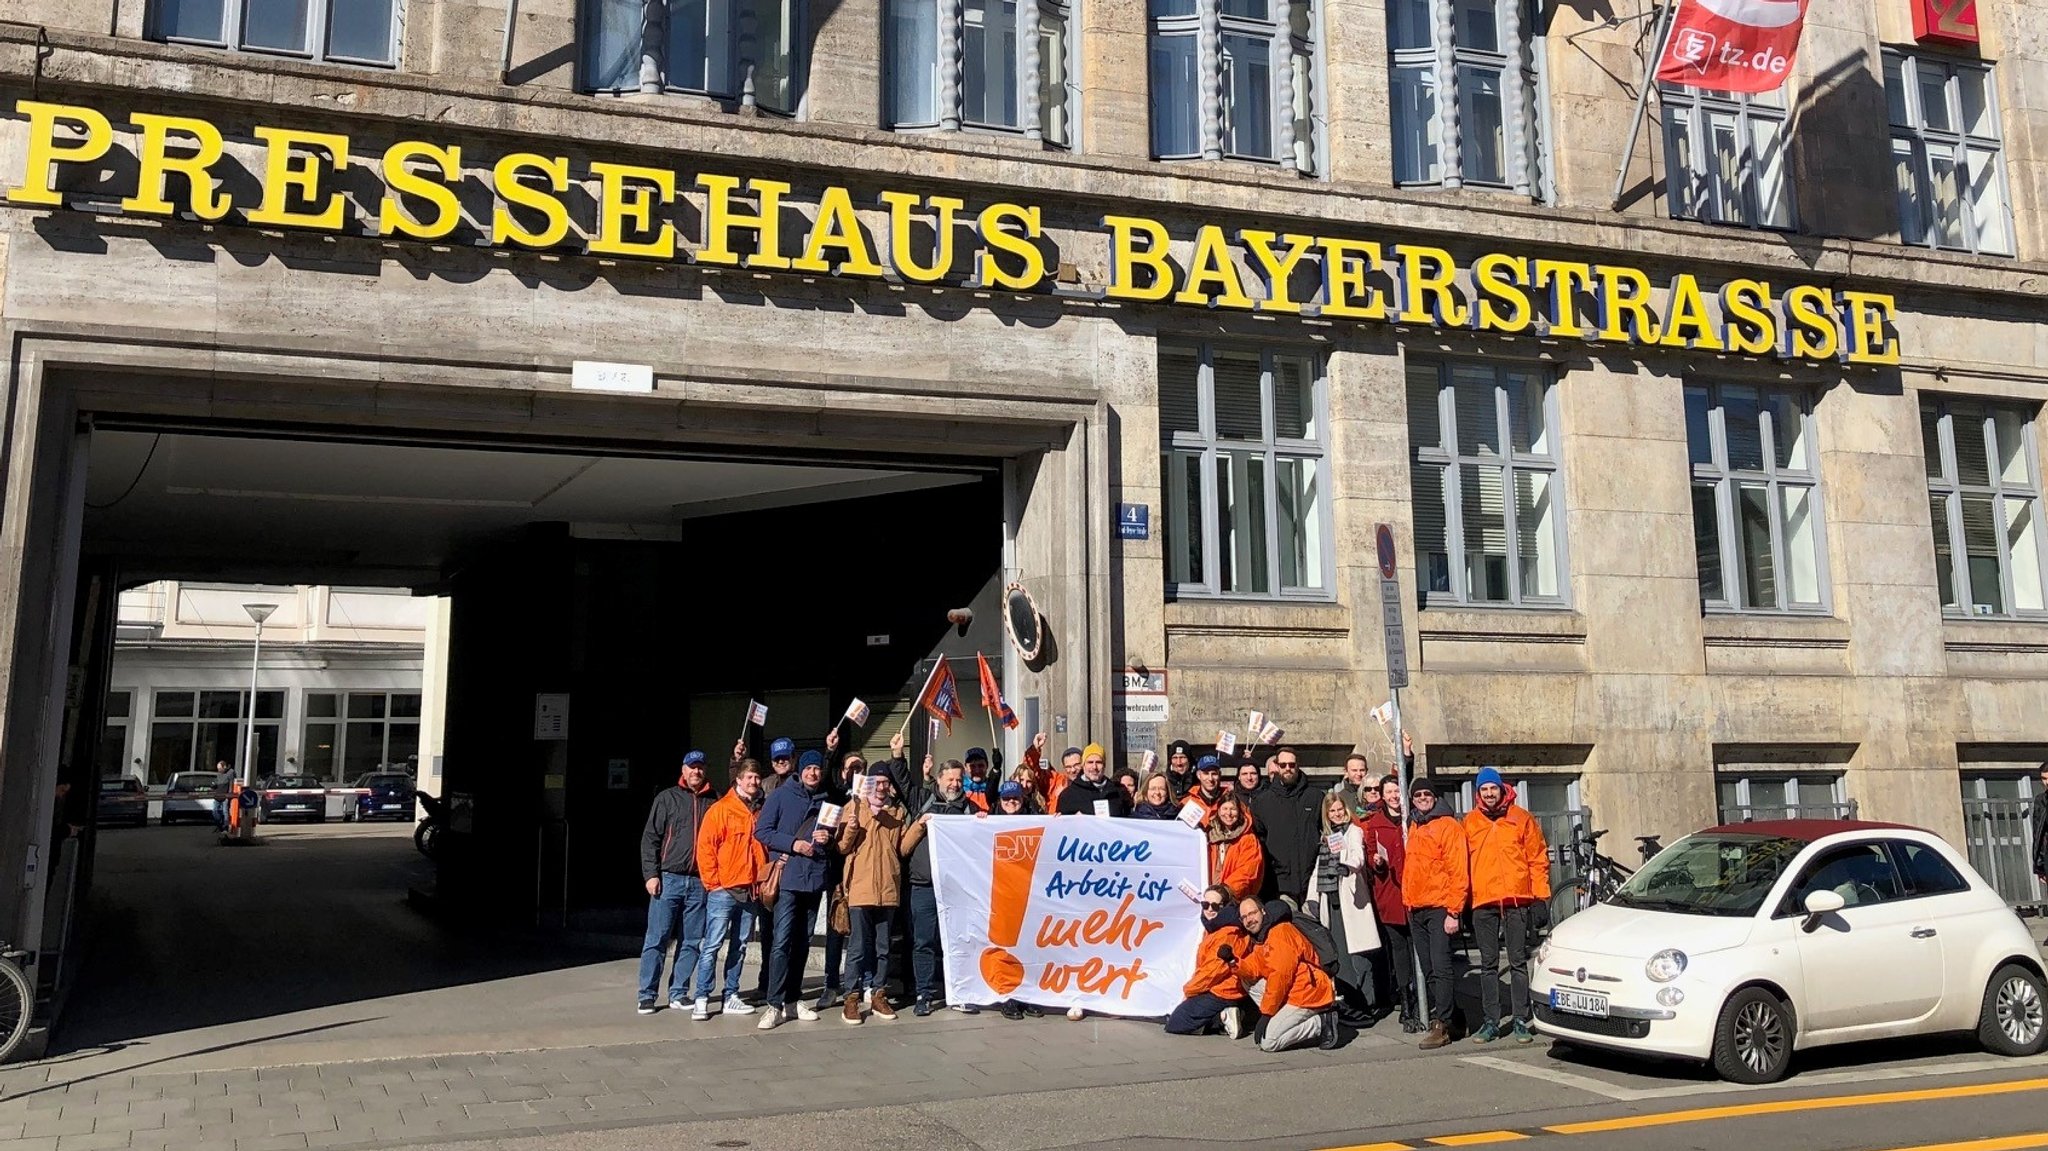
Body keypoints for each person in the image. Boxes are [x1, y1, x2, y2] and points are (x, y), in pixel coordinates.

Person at [1464, 766, 1549, 1044]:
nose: (1489, 793)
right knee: (1488, 964)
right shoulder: (1470, 822)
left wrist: (1540, 897)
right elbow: (1461, 864)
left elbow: (1537, 858)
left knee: (1517, 962)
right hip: (1484, 900)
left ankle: (1520, 1020)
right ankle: (1491, 1021)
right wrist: (1463, 902)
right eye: (1484, 789)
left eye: (1493, 788)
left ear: (1502, 789)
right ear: (1478, 793)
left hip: (1516, 899)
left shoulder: (1520, 818)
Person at [752, 749, 836, 1029]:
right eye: (809, 768)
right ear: (800, 771)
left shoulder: (827, 800)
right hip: (788, 879)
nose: (813, 773)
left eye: (818, 769)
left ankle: (792, 999)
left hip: (814, 879)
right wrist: (793, 844)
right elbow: (762, 832)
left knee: (803, 942)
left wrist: (827, 837)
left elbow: (831, 837)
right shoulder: (780, 795)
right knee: (781, 942)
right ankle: (773, 1004)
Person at [636, 750, 717, 1015]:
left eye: (700, 767)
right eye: (691, 767)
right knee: (657, 938)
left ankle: (679, 993)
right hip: (668, 879)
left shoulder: (713, 801)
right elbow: (651, 838)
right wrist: (651, 874)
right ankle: (647, 994)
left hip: (699, 882)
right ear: (683, 770)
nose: (696, 771)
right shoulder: (667, 798)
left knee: (692, 941)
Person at [836, 768, 912, 1024]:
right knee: (857, 947)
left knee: (883, 947)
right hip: (860, 889)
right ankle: (851, 998)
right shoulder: (854, 808)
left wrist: (920, 827)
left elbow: (901, 848)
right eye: (877, 782)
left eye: (885, 783)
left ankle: (879, 994)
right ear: (868, 785)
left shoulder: (897, 813)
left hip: (888, 890)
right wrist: (852, 829)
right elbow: (842, 847)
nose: (881, 787)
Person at [693, 757, 767, 1019]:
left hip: (749, 889)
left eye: (757, 778)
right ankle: (702, 996)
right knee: (712, 945)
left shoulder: (759, 809)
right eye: (749, 778)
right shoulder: (721, 809)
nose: (754, 782)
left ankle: (731, 995)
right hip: (724, 889)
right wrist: (713, 884)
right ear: (738, 780)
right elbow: (705, 848)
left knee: (741, 946)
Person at [902, 759, 976, 1016]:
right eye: (950, 779)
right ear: (940, 779)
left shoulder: (969, 809)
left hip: (955, 888)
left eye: (959, 780)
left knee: (958, 941)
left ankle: (960, 992)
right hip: (923, 885)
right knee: (923, 942)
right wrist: (899, 755)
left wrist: (982, 822)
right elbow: (901, 781)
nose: (955, 784)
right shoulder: (923, 801)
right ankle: (924, 993)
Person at [1403, 778, 1469, 1049]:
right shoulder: (1415, 824)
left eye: (1426, 793)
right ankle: (1455, 1018)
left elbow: (1458, 870)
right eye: (1417, 794)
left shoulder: (1448, 826)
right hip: (1416, 906)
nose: (1422, 797)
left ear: (1434, 796)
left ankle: (1441, 1024)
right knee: (1429, 969)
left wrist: (1453, 912)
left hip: (1440, 906)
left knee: (1441, 968)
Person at [1232, 898, 1339, 1052]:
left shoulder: (1280, 932)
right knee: (1247, 980)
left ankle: (1320, 1022)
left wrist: (1267, 1014)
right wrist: (1232, 962)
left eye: (1252, 913)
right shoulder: (1262, 936)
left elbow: (1280, 977)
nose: (1249, 920)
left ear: (1263, 911)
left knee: (1268, 1042)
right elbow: (1254, 967)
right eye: (1244, 917)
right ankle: (1283, 1019)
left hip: (1307, 993)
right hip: (1293, 991)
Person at [1311, 792, 1381, 1017]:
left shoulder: (1354, 831)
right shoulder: (1327, 836)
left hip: (1351, 900)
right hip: (1331, 900)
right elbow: (1318, 869)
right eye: (1332, 811)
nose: (1337, 814)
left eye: (1340, 809)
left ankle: (1366, 1003)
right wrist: (1312, 897)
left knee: (1358, 955)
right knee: (1339, 954)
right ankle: (1348, 1001)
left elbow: (1358, 857)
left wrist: (1346, 865)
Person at [986, 781, 1047, 1021]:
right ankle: (1008, 997)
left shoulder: (1034, 820)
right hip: (1000, 893)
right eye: (1007, 799)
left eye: (1016, 799)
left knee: (1027, 946)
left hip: (1028, 893)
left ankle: (1028, 996)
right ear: (1000, 801)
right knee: (1005, 947)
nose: (1011, 803)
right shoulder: (989, 821)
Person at [1362, 776, 1418, 1032]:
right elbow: (1371, 856)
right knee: (1400, 951)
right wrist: (1377, 862)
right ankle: (1406, 1003)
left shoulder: (1414, 818)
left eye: (1398, 790)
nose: (1395, 795)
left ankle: (1422, 998)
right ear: (1382, 797)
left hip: (1417, 894)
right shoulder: (1374, 823)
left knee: (1419, 948)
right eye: (1390, 791)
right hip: (1391, 895)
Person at [1165, 884, 1249, 1036]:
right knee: (1177, 1015)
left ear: (1225, 907)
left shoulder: (1227, 933)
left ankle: (1222, 1018)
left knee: (1176, 1022)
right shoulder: (1215, 928)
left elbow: (1213, 970)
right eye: (1205, 904)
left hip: (1223, 991)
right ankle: (1228, 1017)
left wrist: (1189, 991)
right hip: (1220, 988)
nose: (1209, 909)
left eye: (1216, 906)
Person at [1246, 747, 1326, 906]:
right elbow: (1259, 841)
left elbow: (1325, 830)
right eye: (1283, 765)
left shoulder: (1315, 797)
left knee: (1315, 929)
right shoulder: (1262, 802)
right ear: (1276, 766)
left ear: (1298, 765)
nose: (1287, 768)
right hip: (1280, 884)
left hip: (1313, 883)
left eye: (1291, 764)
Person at [1206, 794, 1263, 900]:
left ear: (1239, 812)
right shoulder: (1209, 836)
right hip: (1210, 896)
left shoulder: (1248, 839)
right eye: (1225, 808)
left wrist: (1226, 890)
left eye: (1233, 809)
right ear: (1218, 810)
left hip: (1235, 898)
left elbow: (1248, 870)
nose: (1228, 813)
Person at [1055, 744, 1134, 817]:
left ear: (1104, 765)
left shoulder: (1119, 791)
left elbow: (1129, 821)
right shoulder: (1068, 795)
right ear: (1083, 765)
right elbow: (1063, 828)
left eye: (1099, 762)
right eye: (1090, 762)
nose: (1094, 767)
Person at [1183, 755, 1228, 825]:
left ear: (1220, 775)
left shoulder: (1230, 799)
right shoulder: (1187, 802)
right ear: (1198, 775)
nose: (1210, 778)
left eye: (1214, 774)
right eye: (1206, 773)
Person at [1333, 754, 1376, 819]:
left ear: (1367, 771)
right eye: (1354, 770)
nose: (1359, 774)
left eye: (1362, 770)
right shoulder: (1340, 797)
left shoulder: (1376, 792)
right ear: (1346, 772)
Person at [2033, 761, 2048, 889]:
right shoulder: (2041, 801)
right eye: (2044, 778)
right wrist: (2040, 865)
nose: (2047, 782)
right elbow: (2038, 834)